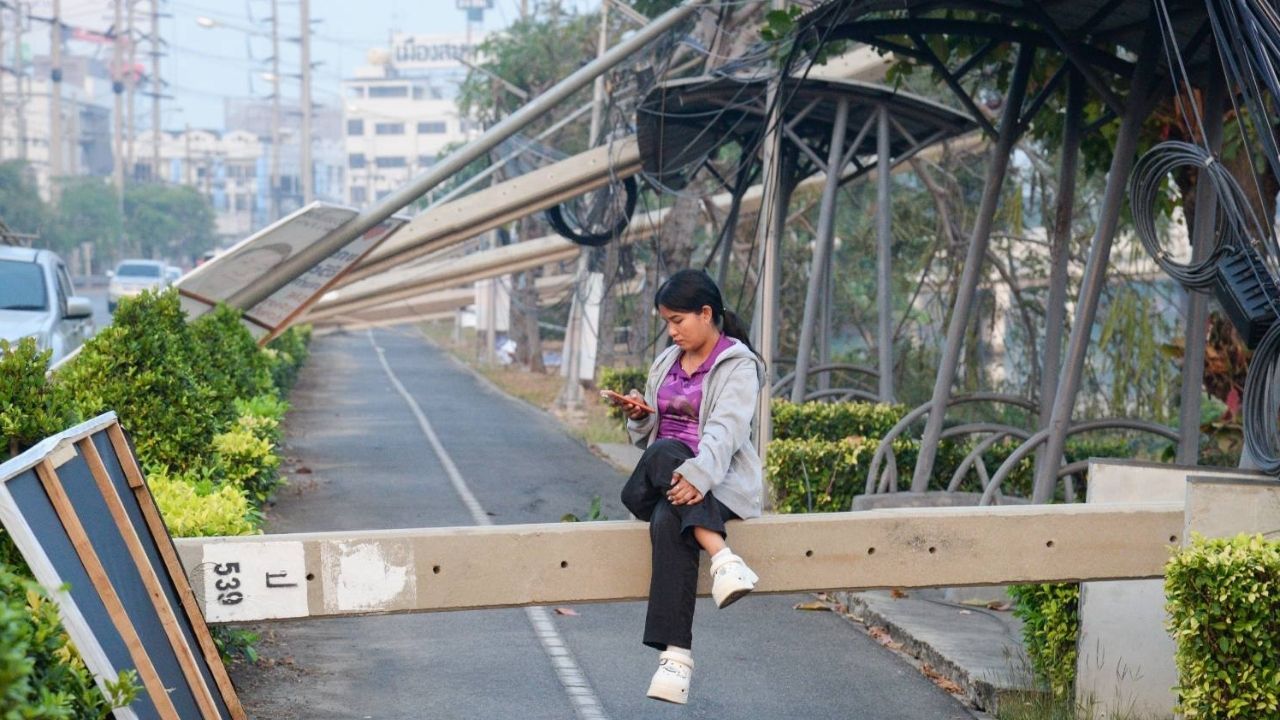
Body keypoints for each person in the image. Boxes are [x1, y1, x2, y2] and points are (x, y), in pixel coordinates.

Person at [617, 269, 765, 705]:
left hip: (716, 487)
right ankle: (722, 558)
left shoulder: (738, 366)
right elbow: (647, 438)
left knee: (668, 519)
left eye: (678, 320)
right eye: (667, 321)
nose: (672, 330)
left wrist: (697, 476)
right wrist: (639, 415)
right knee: (663, 450)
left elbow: (726, 432)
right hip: (663, 480)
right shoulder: (666, 362)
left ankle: (676, 659)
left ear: (706, 313)